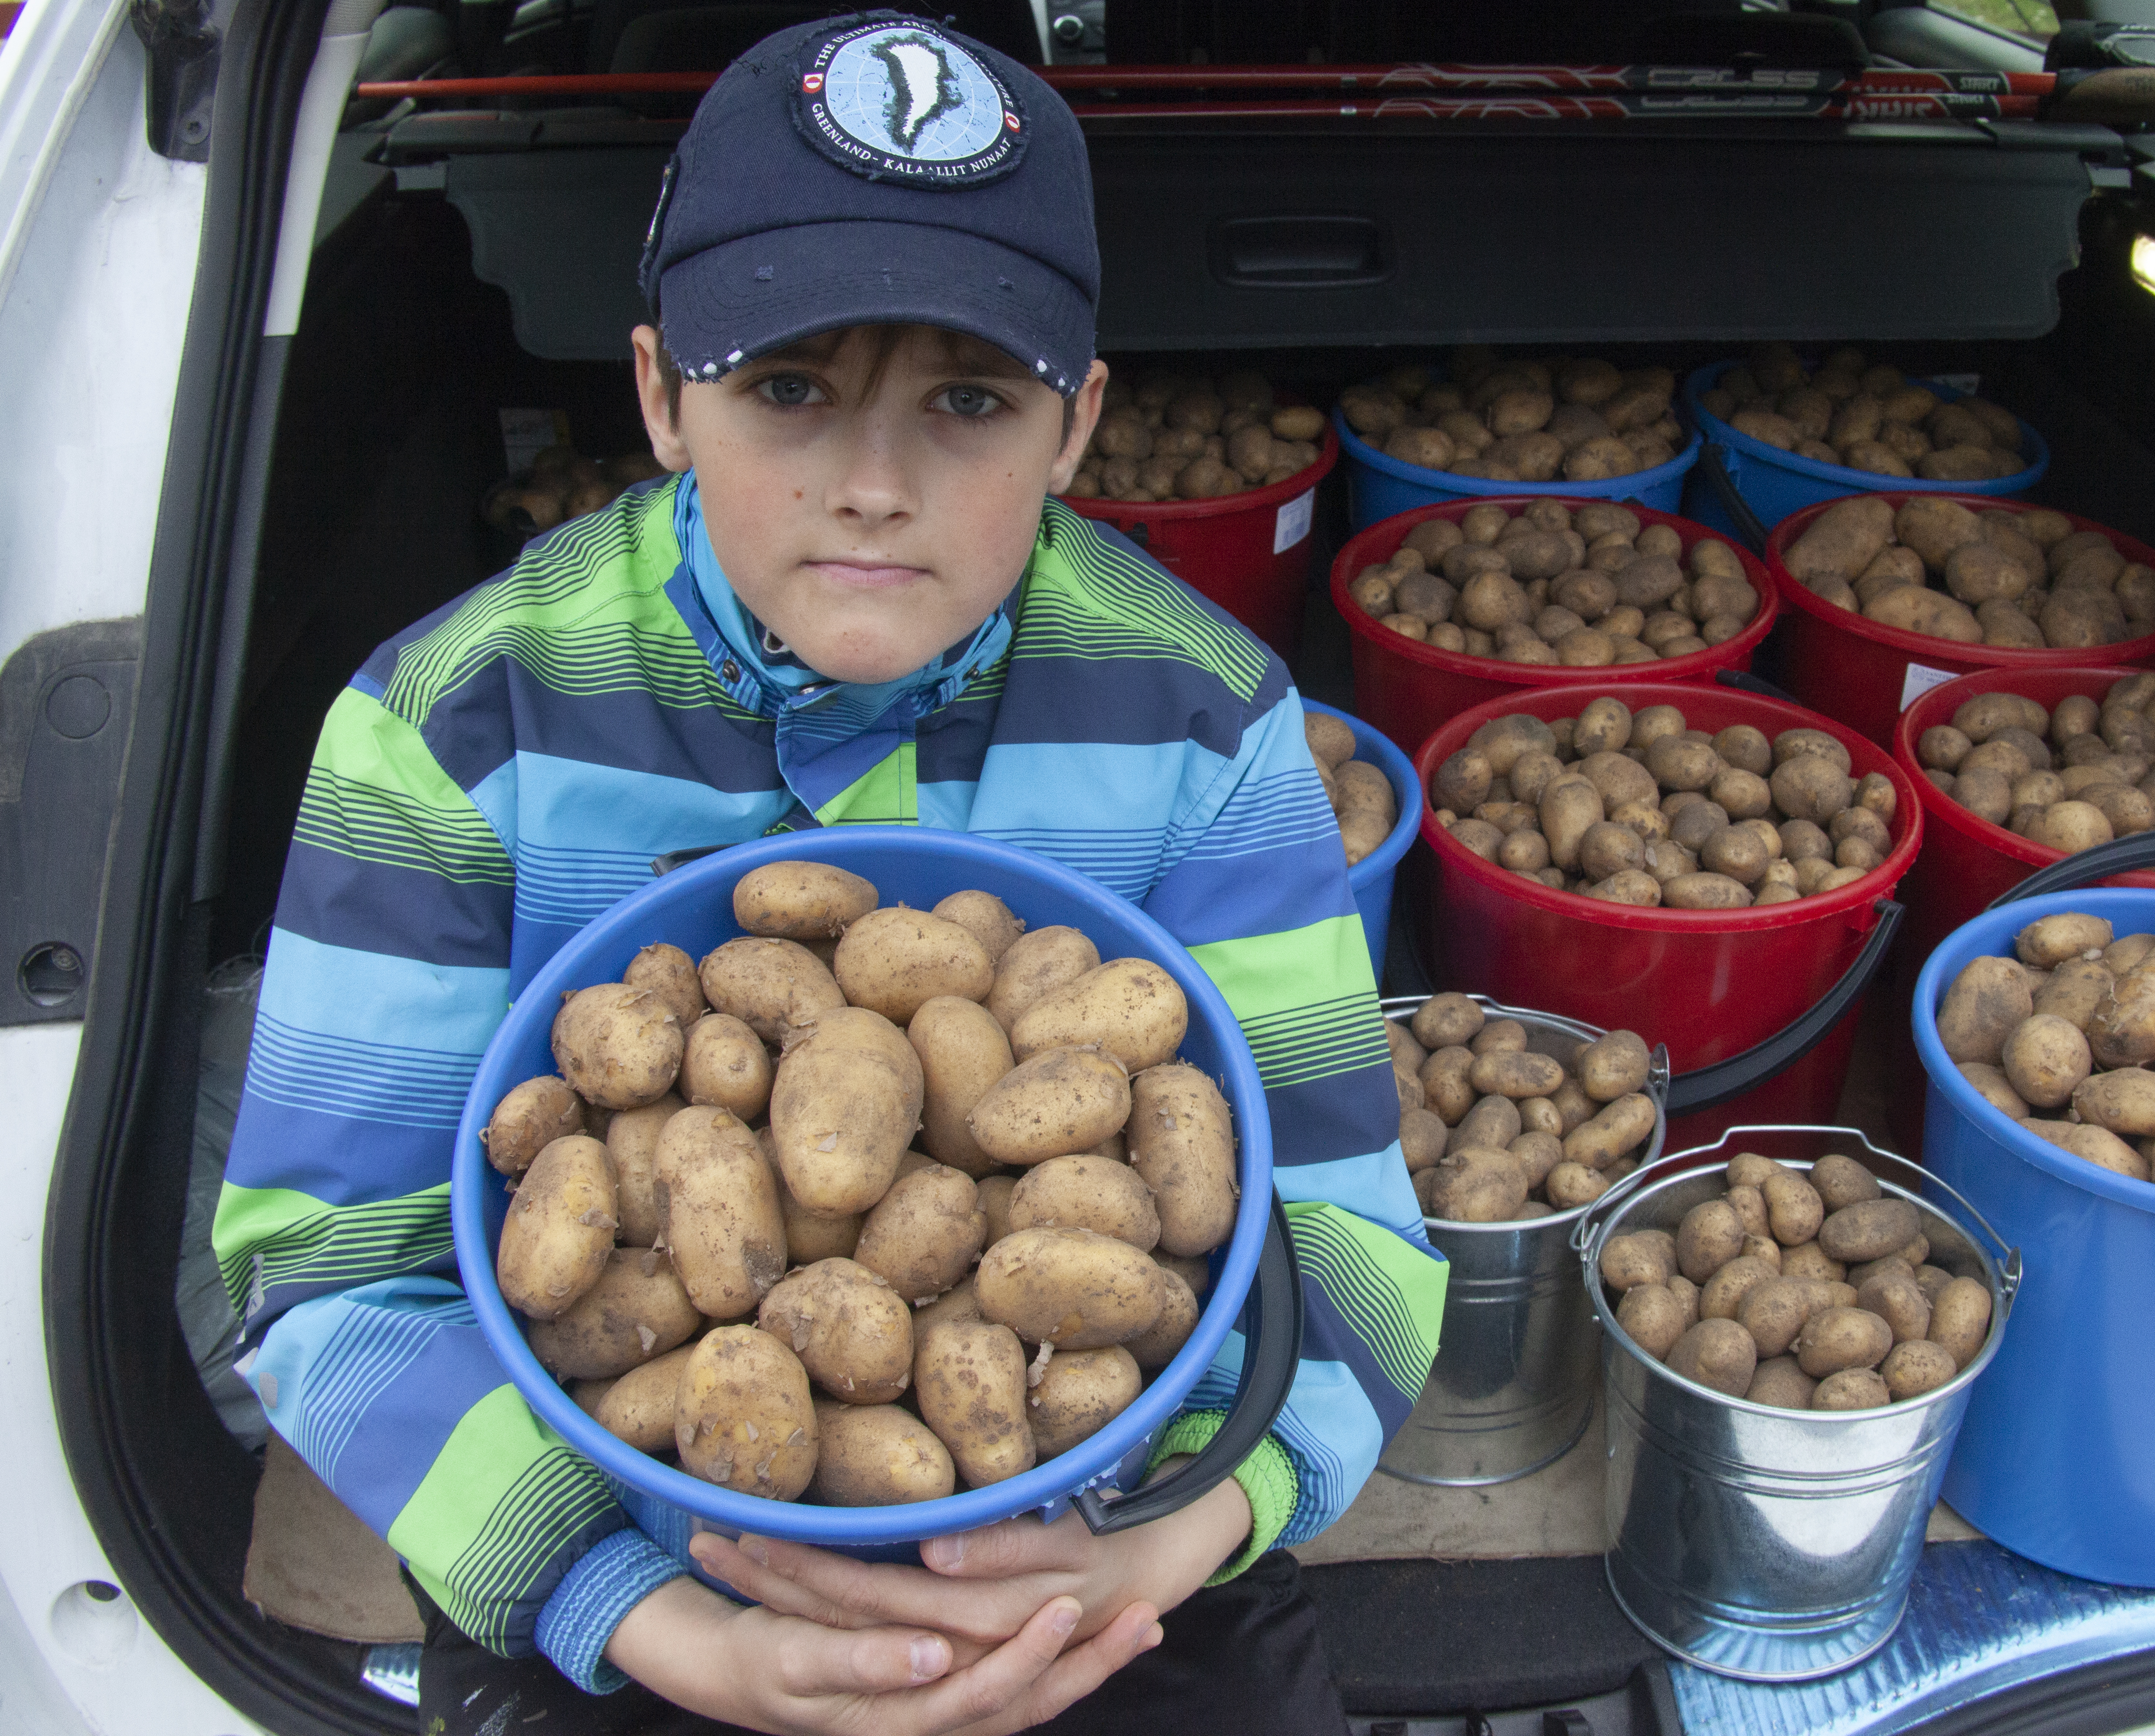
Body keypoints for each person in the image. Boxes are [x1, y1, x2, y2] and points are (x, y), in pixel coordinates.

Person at [212, 14, 1445, 1732]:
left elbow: (1359, 1249)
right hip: (622, 1546)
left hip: (1090, 1528)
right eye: (788, 386)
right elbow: (325, 1276)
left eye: (968, 399)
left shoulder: (1205, 719)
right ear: (658, 392)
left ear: (1077, 427)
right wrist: (634, 1609)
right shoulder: (448, 727)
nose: (875, 484)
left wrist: (1174, 1532)